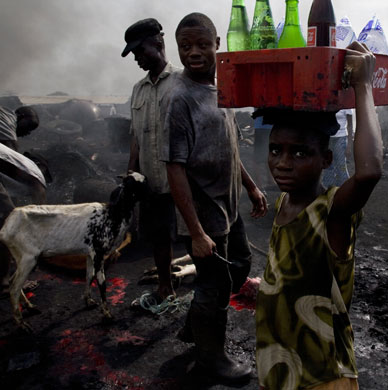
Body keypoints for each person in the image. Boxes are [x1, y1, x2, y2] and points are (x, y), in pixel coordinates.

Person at [255, 41, 383, 390]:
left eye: (300, 152)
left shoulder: (332, 212)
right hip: (281, 364)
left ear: (326, 160)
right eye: (276, 150)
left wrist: (363, 85)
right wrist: (268, 285)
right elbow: (292, 266)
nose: (283, 162)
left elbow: (369, 172)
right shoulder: (285, 202)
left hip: (322, 374)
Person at [162, 12, 267, 385]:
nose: (194, 52)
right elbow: (174, 168)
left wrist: (251, 186)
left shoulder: (220, 90)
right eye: (185, 46)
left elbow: (230, 146)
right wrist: (195, 232)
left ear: (217, 44)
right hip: (204, 211)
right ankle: (212, 359)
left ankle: (196, 326)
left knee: (241, 263)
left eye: (201, 44)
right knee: (214, 284)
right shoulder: (179, 100)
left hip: (229, 204)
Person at [122, 18, 181, 301]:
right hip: (151, 180)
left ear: (158, 43)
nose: (137, 59)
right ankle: (165, 285)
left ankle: (206, 290)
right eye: (134, 55)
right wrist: (130, 174)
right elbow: (136, 137)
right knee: (159, 236)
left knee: (194, 236)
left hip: (181, 180)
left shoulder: (183, 83)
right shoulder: (138, 90)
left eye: (140, 52)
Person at [0, 142, 46, 296]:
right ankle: (4, 285)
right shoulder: (36, 175)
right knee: (9, 222)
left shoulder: (18, 164)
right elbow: (40, 212)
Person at [322, 108, 354, 187]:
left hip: (340, 138)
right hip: (328, 137)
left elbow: (350, 126)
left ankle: (345, 189)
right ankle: (328, 190)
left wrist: (349, 145)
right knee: (328, 166)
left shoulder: (347, 106)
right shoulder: (330, 103)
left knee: (341, 165)